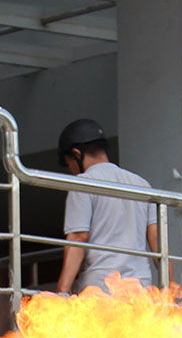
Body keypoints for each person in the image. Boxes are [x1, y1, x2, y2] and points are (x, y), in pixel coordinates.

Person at [54, 118, 160, 295]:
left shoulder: (83, 183)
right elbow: (159, 246)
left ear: (76, 154)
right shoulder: (142, 184)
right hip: (141, 293)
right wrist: (172, 298)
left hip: (101, 291)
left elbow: (78, 237)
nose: (71, 169)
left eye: (69, 163)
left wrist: (62, 292)